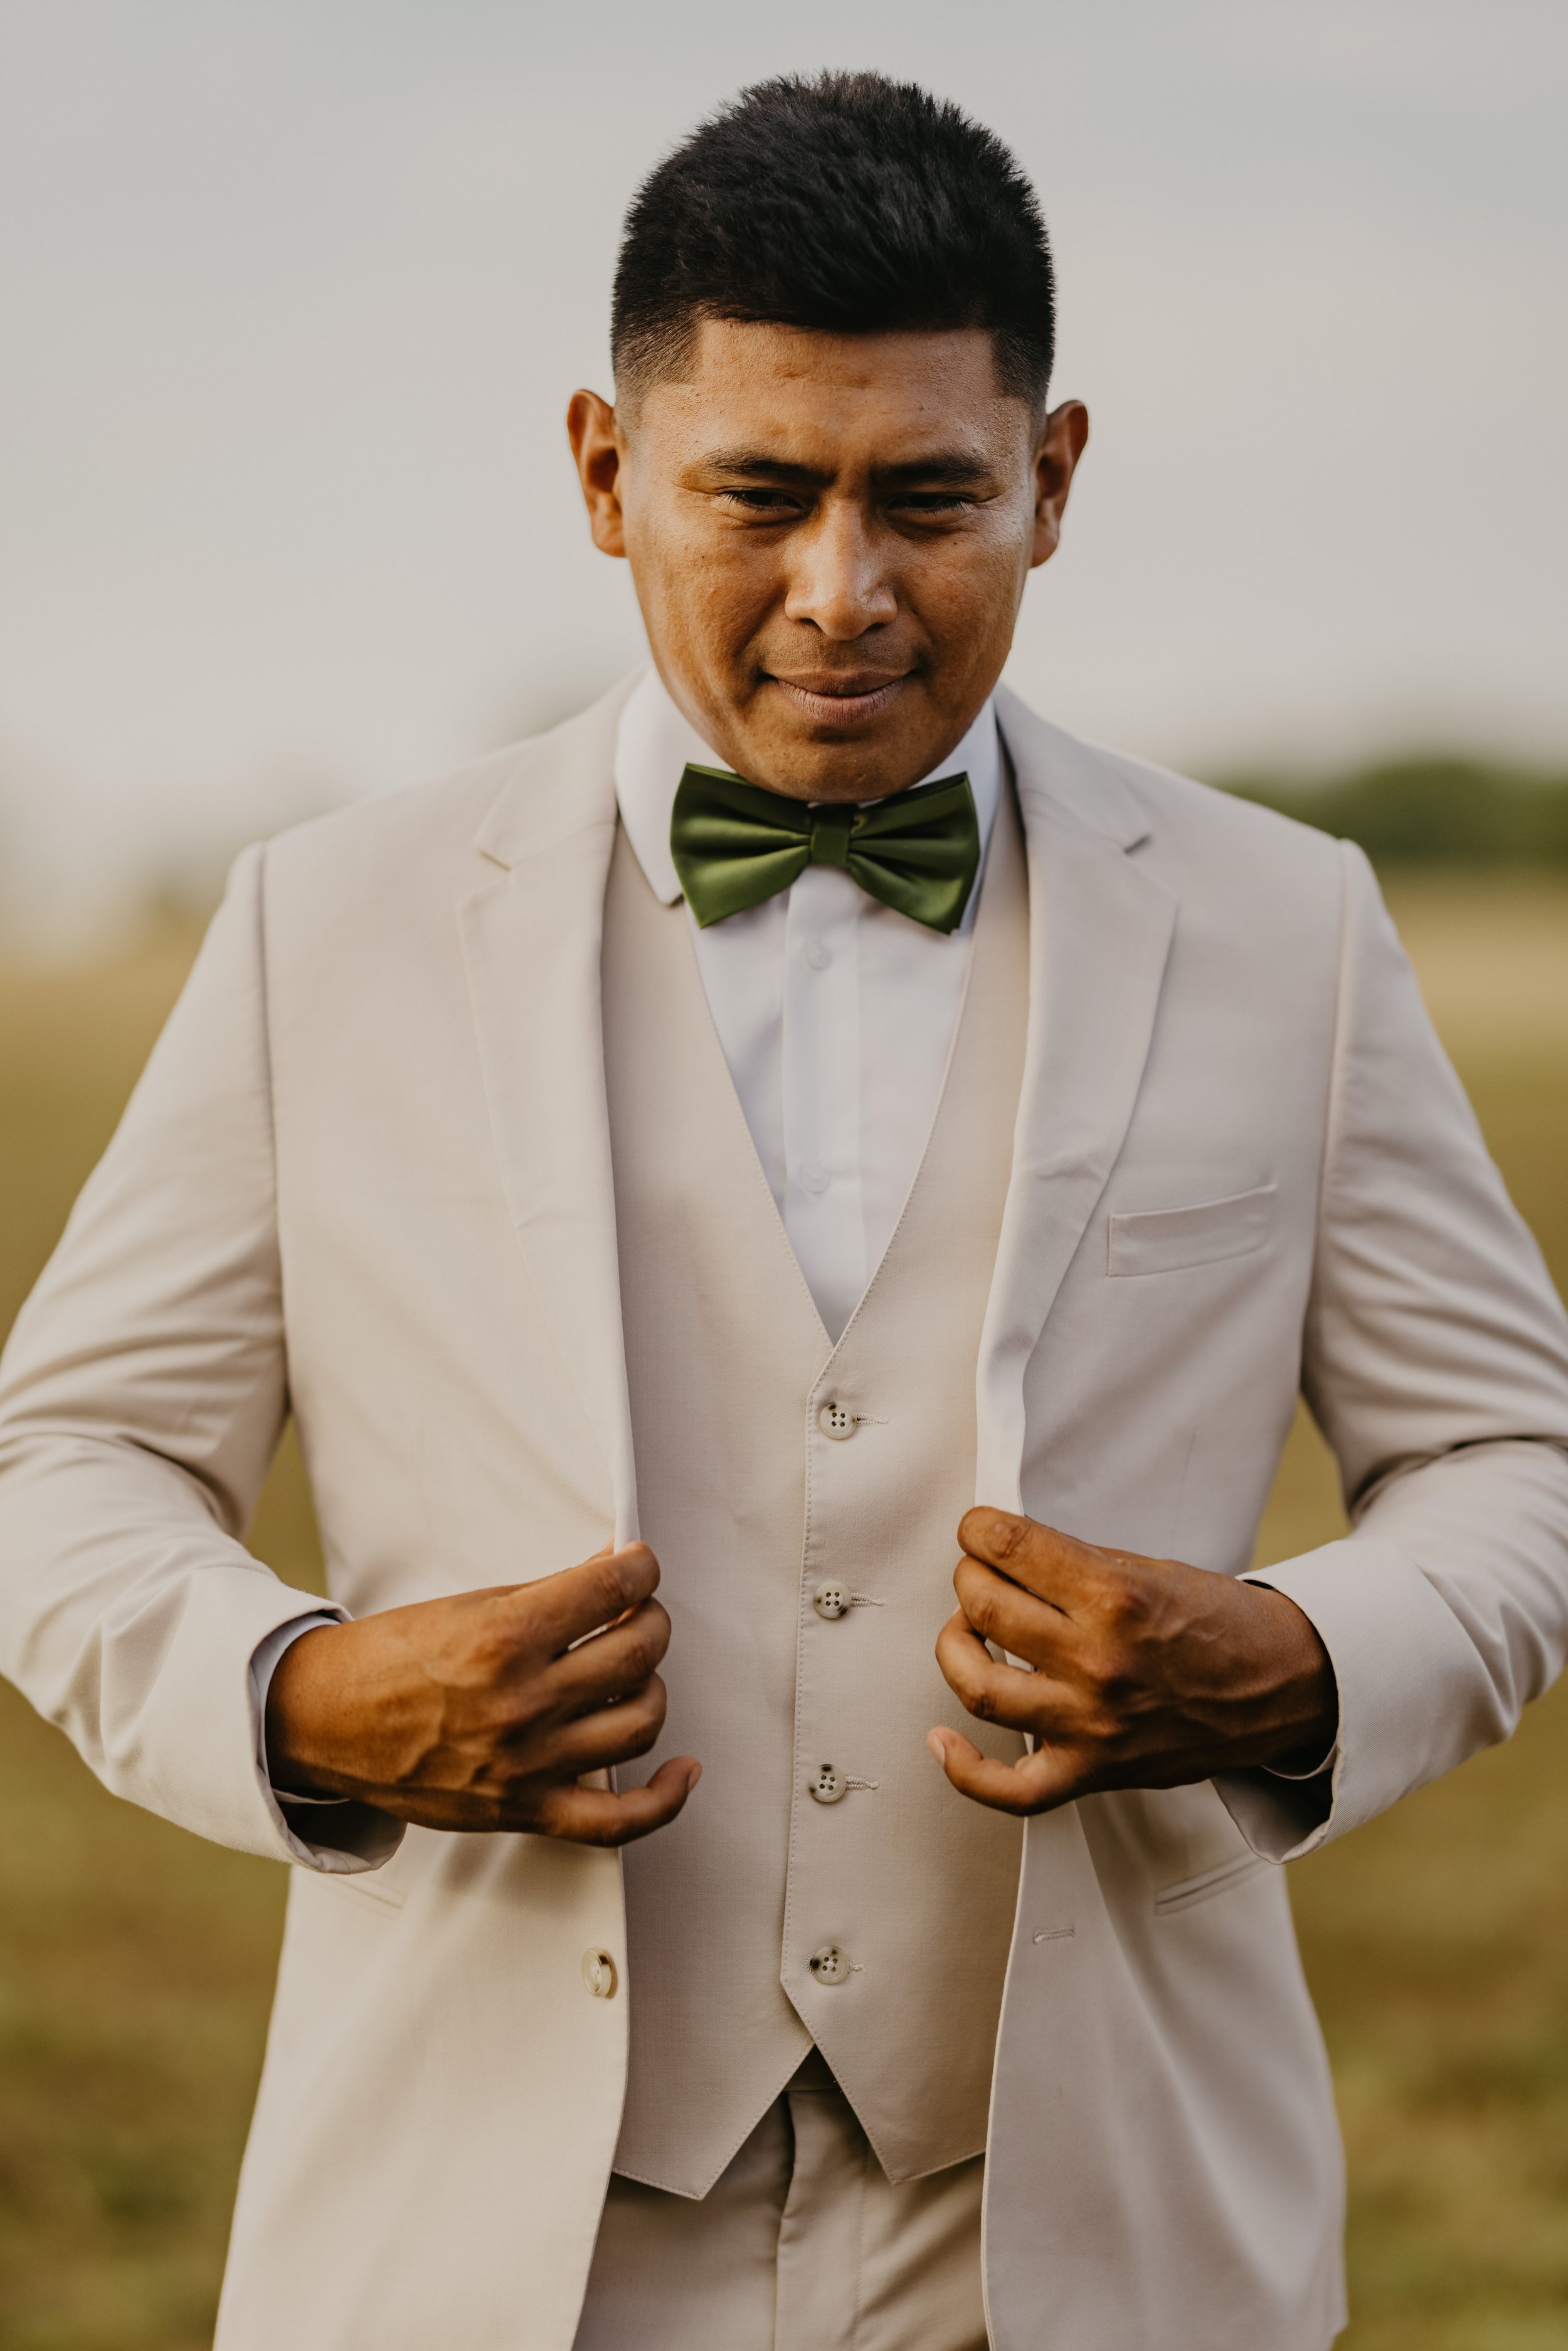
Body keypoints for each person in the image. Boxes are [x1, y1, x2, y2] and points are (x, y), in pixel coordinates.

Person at [1, 68, 1566, 2351]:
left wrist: (1298, 1659)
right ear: (602, 472)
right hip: (492, 2234)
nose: (844, 593)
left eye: (929, 498)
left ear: (1051, 479)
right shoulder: (319, 927)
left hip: (1095, 2223)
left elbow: (1512, 1460)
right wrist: (301, 1694)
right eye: (759, 494)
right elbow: (67, 1458)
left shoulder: (1285, 928)